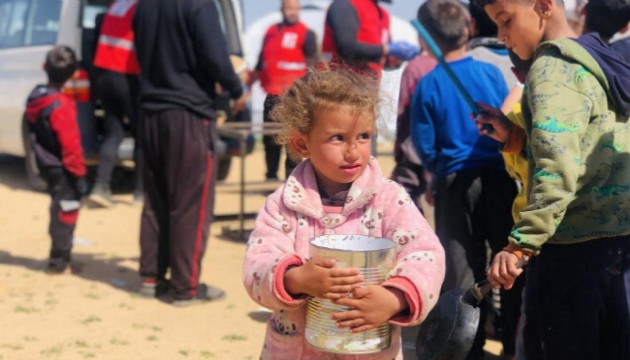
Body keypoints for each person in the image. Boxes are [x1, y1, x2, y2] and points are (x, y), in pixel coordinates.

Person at [242, 69, 445, 359]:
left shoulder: (389, 200)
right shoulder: (282, 205)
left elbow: (425, 255)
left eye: (363, 136)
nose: (353, 151)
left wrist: (394, 298)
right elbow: (256, 267)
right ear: (302, 144)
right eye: (338, 138)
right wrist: (297, 279)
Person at [473, 0, 630, 358]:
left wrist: (520, 244)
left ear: (543, 7)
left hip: (570, 255)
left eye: (505, 20)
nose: (502, 35)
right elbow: (587, 145)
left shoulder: (550, 68)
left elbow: (556, 167)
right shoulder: (596, 58)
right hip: (618, 248)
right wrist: (515, 138)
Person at [410, 1, 518, 358]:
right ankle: (515, 341)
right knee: (508, 259)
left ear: (426, 39)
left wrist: (437, 173)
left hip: (455, 183)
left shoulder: (428, 85)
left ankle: (467, 348)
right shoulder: (490, 73)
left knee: (461, 270)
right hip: (498, 178)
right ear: (470, 27)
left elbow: (424, 144)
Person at [133, 0, 247, 306]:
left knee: (156, 200)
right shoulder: (199, 4)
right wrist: (237, 90)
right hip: (189, 114)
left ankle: (150, 277)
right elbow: (217, 58)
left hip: (151, 113)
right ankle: (186, 288)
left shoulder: (144, 6)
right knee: (191, 205)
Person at [25, 46, 87, 274]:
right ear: (75, 75)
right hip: (64, 169)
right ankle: (59, 261)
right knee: (66, 212)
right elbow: (71, 145)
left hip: (46, 164)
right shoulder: (62, 105)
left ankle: (60, 257)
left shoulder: (36, 97)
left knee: (57, 208)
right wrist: (79, 173)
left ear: (44, 68)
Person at [249, 0, 318, 181]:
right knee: (270, 141)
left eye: (295, 9)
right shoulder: (271, 32)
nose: (292, 12)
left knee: (293, 143)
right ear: (282, 9)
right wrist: (247, 86)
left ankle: (292, 183)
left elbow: (315, 67)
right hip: (273, 96)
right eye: (289, 8)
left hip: (295, 98)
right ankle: (270, 179)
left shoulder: (306, 34)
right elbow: (260, 63)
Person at [89, 0, 142, 208]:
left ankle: (101, 187)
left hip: (104, 75)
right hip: (126, 76)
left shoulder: (115, 5)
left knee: (114, 131)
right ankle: (140, 193)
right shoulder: (140, 6)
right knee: (141, 135)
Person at [322, 0, 420, 76]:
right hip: (336, 87)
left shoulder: (383, 15)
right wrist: (387, 49)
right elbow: (346, 48)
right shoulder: (346, 5)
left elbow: (377, 57)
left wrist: (395, 59)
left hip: (367, 90)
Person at [391, 52, 436, 209]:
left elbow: (403, 112)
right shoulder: (453, 66)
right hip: (445, 154)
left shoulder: (415, 67)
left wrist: (398, 151)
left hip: (415, 150)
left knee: (404, 201)